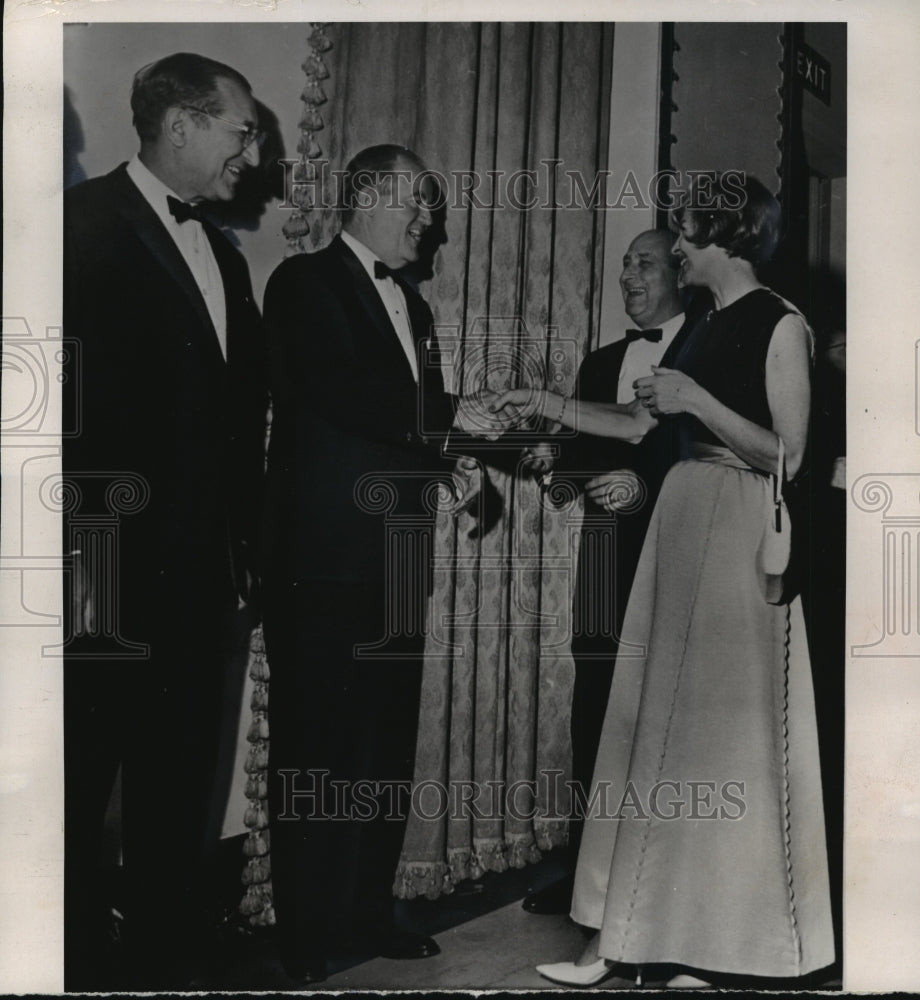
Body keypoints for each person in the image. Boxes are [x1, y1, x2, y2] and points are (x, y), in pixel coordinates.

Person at [491, 176, 834, 986]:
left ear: (726, 235)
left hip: (738, 519)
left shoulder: (782, 322)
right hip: (681, 521)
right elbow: (641, 423)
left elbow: (791, 454)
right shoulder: (703, 326)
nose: (675, 248)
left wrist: (699, 401)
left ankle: (712, 950)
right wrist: (542, 401)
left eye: (684, 233)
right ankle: (621, 940)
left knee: (718, 744)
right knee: (647, 728)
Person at [62, 53, 268, 989]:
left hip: (197, 574)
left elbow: (238, 428)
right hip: (100, 567)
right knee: (74, 780)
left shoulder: (226, 256)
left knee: (174, 781)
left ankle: (155, 958)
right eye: (242, 130)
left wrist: (241, 556)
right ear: (180, 126)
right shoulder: (79, 226)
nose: (252, 153)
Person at [261, 144, 482, 984]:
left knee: (382, 745)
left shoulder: (416, 308)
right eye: (415, 203)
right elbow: (345, 393)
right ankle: (307, 929)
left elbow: (405, 425)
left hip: (395, 560)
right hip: (319, 560)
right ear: (363, 198)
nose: (427, 220)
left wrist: (455, 467)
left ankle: (364, 906)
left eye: (429, 206)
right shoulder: (303, 284)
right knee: (315, 747)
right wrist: (467, 418)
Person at [520, 230, 704, 915]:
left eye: (645, 262)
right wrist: (552, 462)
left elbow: (701, 450)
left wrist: (642, 487)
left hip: (681, 550)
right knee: (595, 704)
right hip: (605, 560)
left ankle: (666, 880)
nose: (628, 274)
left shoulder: (709, 347)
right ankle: (584, 874)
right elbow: (574, 460)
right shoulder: (599, 362)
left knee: (673, 706)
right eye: (624, 263)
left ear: (680, 273)